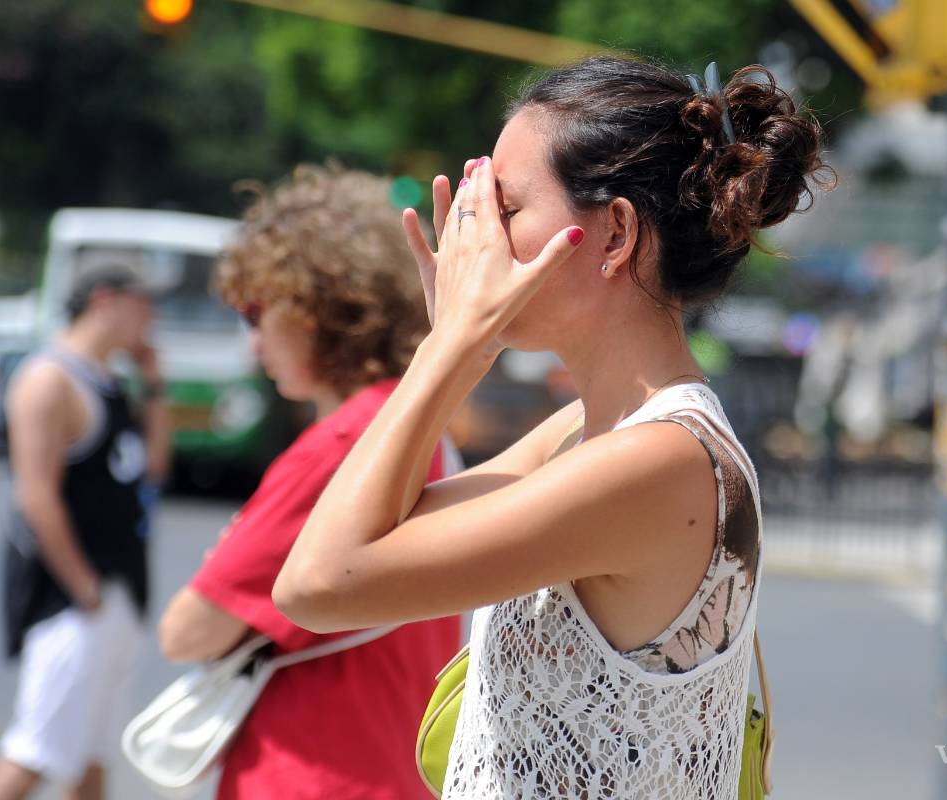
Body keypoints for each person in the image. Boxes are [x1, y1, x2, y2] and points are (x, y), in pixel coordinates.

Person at [273, 58, 830, 798]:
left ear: (615, 234)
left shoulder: (661, 459)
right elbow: (379, 528)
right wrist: (459, 348)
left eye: (504, 210)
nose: (477, 242)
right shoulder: (585, 431)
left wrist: (451, 347)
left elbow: (319, 583)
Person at [155, 165, 461, 799]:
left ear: (316, 306)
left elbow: (186, 632)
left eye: (256, 310)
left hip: (311, 770)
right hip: (391, 763)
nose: (252, 337)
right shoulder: (414, 420)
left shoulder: (345, 445)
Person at [0, 265, 170, 800]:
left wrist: (156, 385)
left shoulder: (109, 378)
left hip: (117, 589)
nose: (151, 319)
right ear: (104, 300)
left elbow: (154, 470)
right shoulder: (48, 379)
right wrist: (85, 589)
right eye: (142, 305)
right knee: (34, 752)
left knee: (90, 760)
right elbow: (35, 495)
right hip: (71, 600)